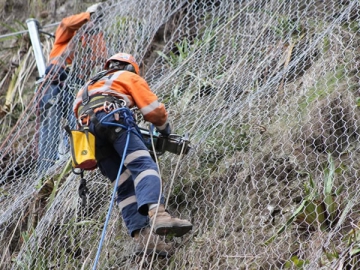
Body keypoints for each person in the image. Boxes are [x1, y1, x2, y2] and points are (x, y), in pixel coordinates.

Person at [72, 52, 193, 256]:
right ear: (129, 67)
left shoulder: (85, 89)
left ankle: (144, 239)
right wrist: (165, 130)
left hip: (89, 137)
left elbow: (85, 117)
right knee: (144, 166)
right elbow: (153, 110)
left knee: (124, 185)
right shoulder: (126, 76)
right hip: (114, 119)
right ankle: (158, 214)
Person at [37, 3, 107, 174]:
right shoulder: (68, 33)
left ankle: (72, 163)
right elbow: (66, 24)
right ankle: (45, 171)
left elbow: (101, 57)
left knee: (77, 121)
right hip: (56, 81)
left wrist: (93, 32)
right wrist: (88, 16)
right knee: (50, 126)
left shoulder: (94, 39)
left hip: (76, 86)